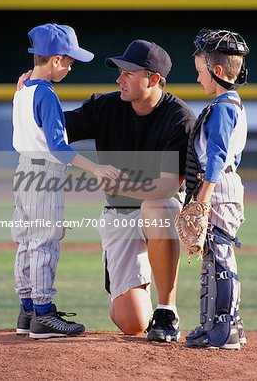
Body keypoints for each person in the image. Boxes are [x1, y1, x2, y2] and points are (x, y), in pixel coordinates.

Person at [64, 39, 196, 341]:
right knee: (133, 322)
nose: (119, 78)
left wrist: (120, 184)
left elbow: (165, 187)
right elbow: (52, 127)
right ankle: (136, 296)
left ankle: (166, 310)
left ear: (152, 79)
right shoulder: (105, 106)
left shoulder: (179, 117)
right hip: (119, 213)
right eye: (120, 72)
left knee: (157, 206)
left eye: (127, 72)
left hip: (161, 209)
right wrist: (29, 96)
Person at [12, 23, 122, 339]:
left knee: (26, 241)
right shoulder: (45, 94)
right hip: (44, 174)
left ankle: (28, 310)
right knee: (45, 241)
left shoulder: (23, 89)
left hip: (22, 171)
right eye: (70, 61)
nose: (71, 66)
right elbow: (59, 149)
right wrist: (97, 169)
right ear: (56, 59)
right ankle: (44, 315)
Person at [182, 29, 249, 350]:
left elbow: (218, 155)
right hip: (219, 183)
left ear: (217, 71)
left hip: (218, 184)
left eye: (200, 72)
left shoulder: (223, 106)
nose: (198, 79)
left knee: (219, 254)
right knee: (213, 254)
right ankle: (219, 324)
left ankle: (224, 327)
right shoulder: (227, 103)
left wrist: (203, 198)